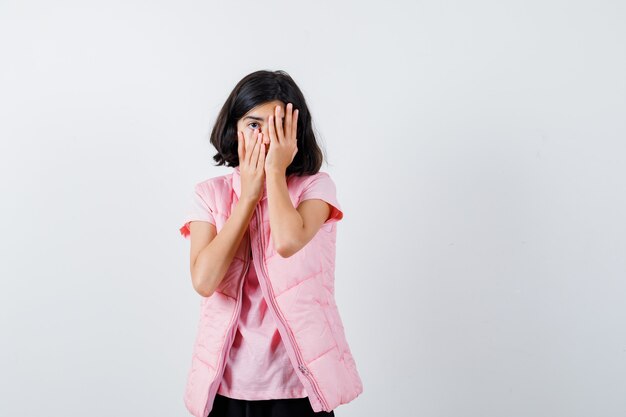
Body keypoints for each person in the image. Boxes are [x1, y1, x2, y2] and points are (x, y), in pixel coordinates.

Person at [179, 70, 363, 417]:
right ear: (234, 127)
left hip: (299, 386)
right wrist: (247, 197)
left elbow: (288, 241)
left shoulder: (314, 188)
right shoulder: (208, 195)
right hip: (226, 386)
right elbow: (204, 282)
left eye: (277, 125)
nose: (264, 137)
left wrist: (274, 174)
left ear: (295, 132)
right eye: (253, 124)